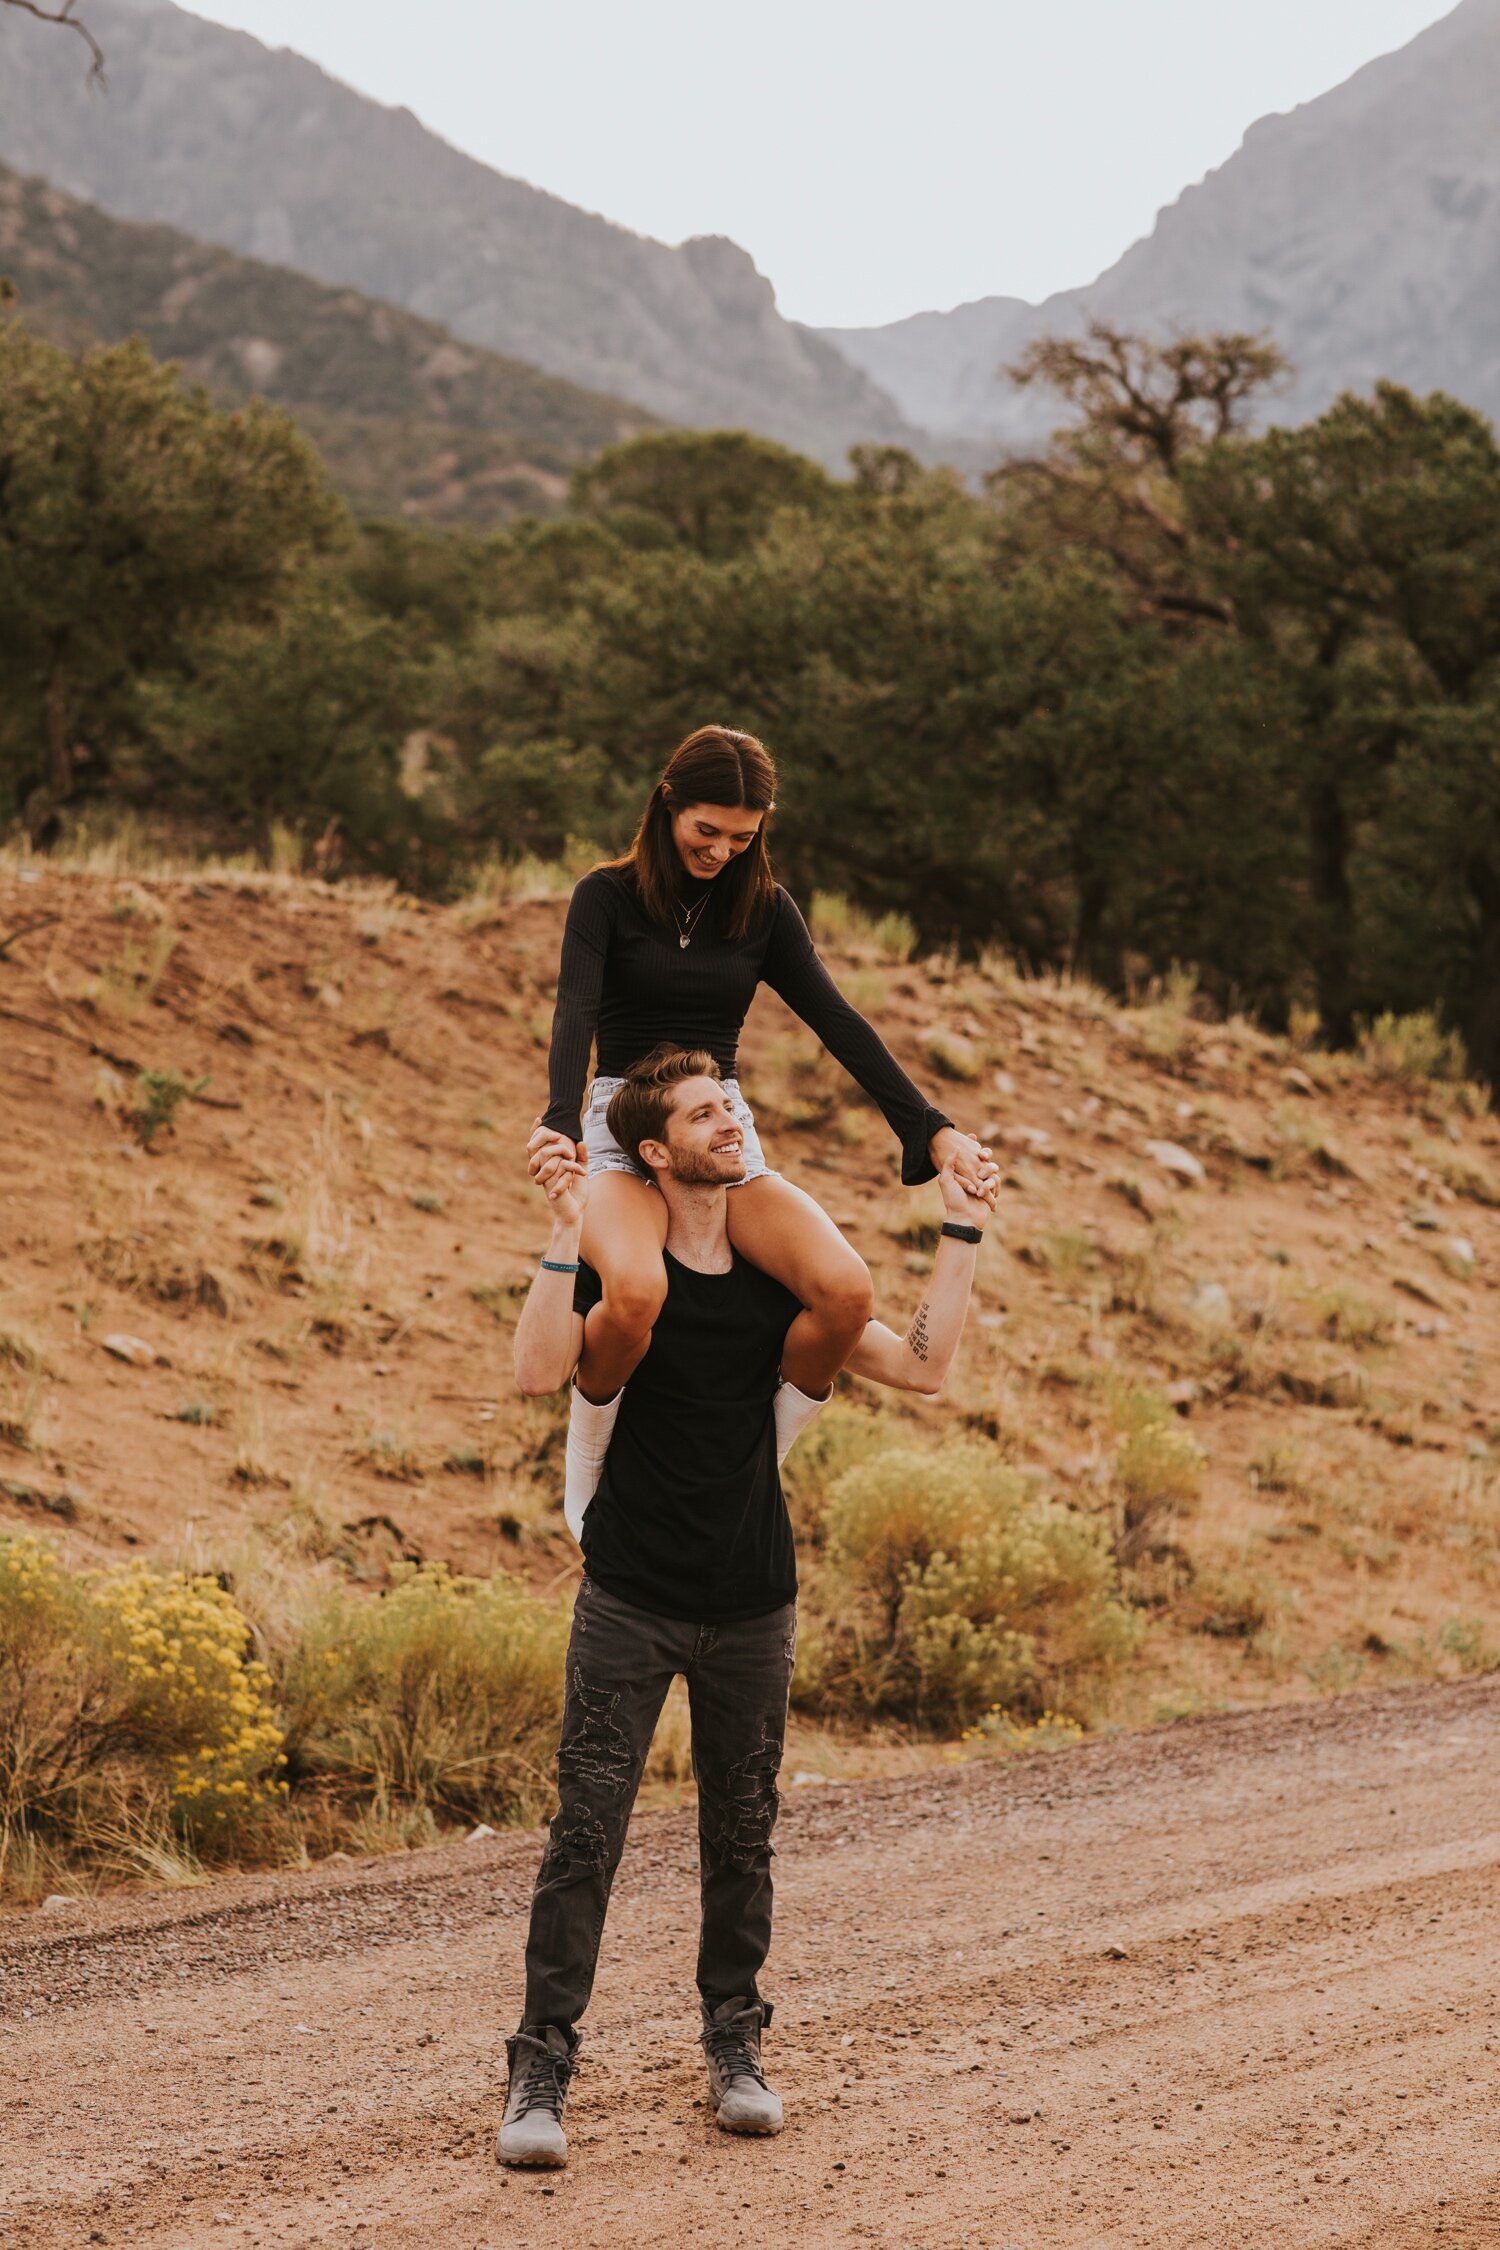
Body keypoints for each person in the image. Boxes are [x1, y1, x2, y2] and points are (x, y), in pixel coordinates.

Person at [498, 1045, 996, 2170]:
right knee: (585, 1837)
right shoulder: (626, 1279)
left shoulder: (783, 1285)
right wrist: (568, 1223)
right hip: (629, 1598)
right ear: (658, 1152)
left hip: (752, 1602)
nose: (733, 1124)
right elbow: (538, 1371)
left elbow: (922, 1368)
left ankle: (736, 2049)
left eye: (732, 1106)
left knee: (742, 1835)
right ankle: (542, 2069)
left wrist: (960, 1229)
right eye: (705, 1114)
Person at [525, 724, 999, 1406]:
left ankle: (760, 1458)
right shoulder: (605, 896)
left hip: (720, 1124)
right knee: (634, 1291)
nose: (721, 851)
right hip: (619, 1118)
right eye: (707, 831)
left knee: (844, 1291)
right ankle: (592, 1452)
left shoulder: (765, 912)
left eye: (742, 839)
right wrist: (561, 1117)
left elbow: (839, 1022)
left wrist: (932, 1130)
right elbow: (575, 1009)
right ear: (667, 804)